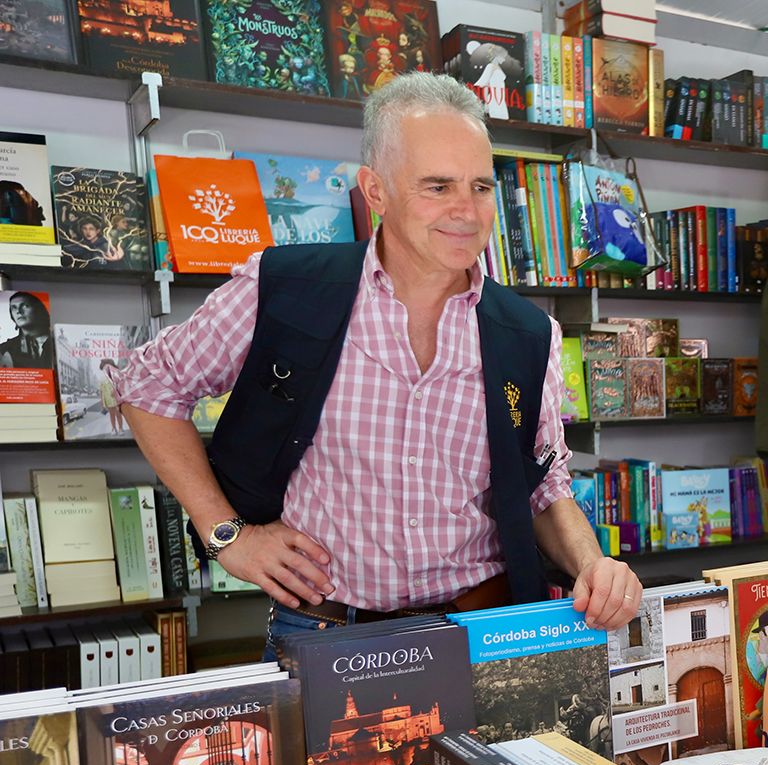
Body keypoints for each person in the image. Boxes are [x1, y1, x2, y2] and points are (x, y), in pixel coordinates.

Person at [112, 74, 641, 645]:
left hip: (482, 630)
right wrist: (227, 535)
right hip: (324, 631)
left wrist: (593, 565)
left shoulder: (531, 333)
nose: (467, 212)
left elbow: (541, 484)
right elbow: (147, 386)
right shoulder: (283, 288)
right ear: (376, 190)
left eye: (481, 187)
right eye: (437, 186)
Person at [0, 291, 52, 369]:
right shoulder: (5, 348)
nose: (18, 311)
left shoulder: (54, 344)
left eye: (25, 306)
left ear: (38, 309)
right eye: (14, 308)